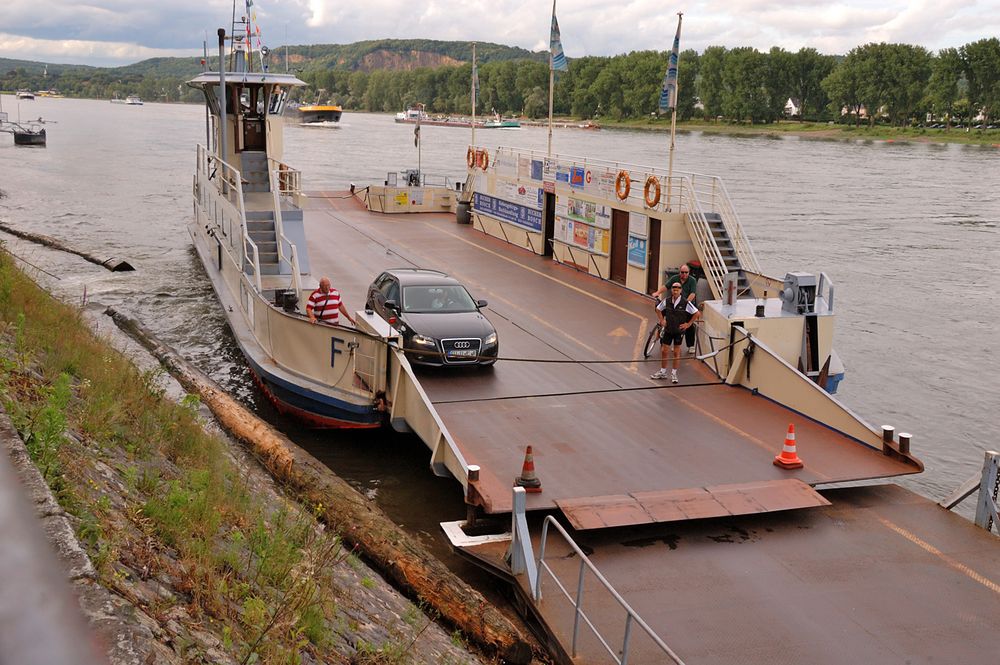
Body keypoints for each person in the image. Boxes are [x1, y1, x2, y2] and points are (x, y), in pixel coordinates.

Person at [651, 282, 700, 383]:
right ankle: (663, 372)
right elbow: (658, 309)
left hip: (678, 331)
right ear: (671, 289)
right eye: (674, 287)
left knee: (676, 352)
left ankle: (674, 373)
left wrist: (688, 324)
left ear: (681, 290)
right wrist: (662, 320)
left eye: (678, 288)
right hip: (668, 329)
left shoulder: (685, 302)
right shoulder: (667, 301)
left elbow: (697, 313)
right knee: (664, 351)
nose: (675, 289)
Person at [651, 264, 698, 354]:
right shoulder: (674, 279)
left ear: (689, 273)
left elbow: (692, 293)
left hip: (686, 305)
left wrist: (685, 303)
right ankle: (664, 339)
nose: (684, 274)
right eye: (682, 272)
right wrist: (657, 292)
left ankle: (691, 345)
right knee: (666, 318)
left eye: (686, 272)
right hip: (673, 304)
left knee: (689, 326)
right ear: (679, 272)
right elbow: (666, 286)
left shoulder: (692, 280)